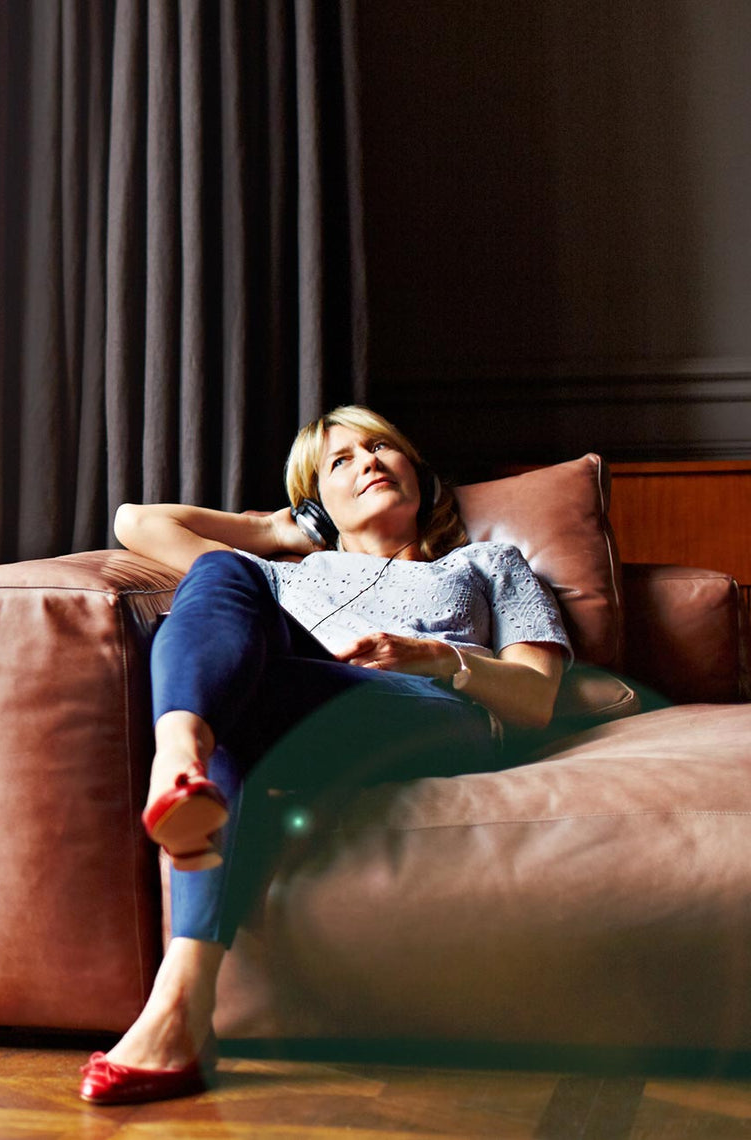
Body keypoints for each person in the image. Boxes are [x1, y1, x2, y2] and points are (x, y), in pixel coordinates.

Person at [78, 405, 570, 1105]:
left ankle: (174, 1010)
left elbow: (534, 698)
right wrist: (274, 531)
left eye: (381, 449)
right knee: (220, 576)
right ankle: (182, 763)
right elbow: (136, 522)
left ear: (419, 475)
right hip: (299, 693)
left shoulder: (487, 563)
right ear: (318, 504)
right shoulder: (288, 573)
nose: (367, 462)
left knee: (234, 697)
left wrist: (435, 659)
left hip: (431, 708)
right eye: (340, 462)